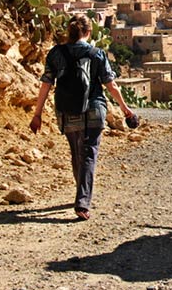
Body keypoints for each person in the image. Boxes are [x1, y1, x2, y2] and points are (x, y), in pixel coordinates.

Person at [29, 14, 134, 221]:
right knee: (89, 153)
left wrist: (37, 114)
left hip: (67, 110)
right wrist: (125, 109)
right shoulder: (97, 54)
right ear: (89, 32)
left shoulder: (56, 53)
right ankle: (83, 201)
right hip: (94, 108)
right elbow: (110, 84)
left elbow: (46, 84)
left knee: (77, 152)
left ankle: (81, 193)